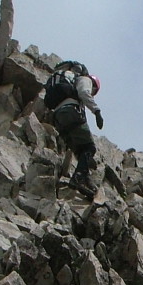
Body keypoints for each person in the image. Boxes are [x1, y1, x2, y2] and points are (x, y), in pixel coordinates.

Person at [47, 61, 103, 194]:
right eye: (94, 91)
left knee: (80, 150)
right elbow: (84, 92)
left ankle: (85, 178)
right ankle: (78, 178)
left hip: (58, 118)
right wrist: (96, 111)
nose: (92, 93)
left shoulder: (63, 80)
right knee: (89, 147)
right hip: (71, 112)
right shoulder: (85, 79)